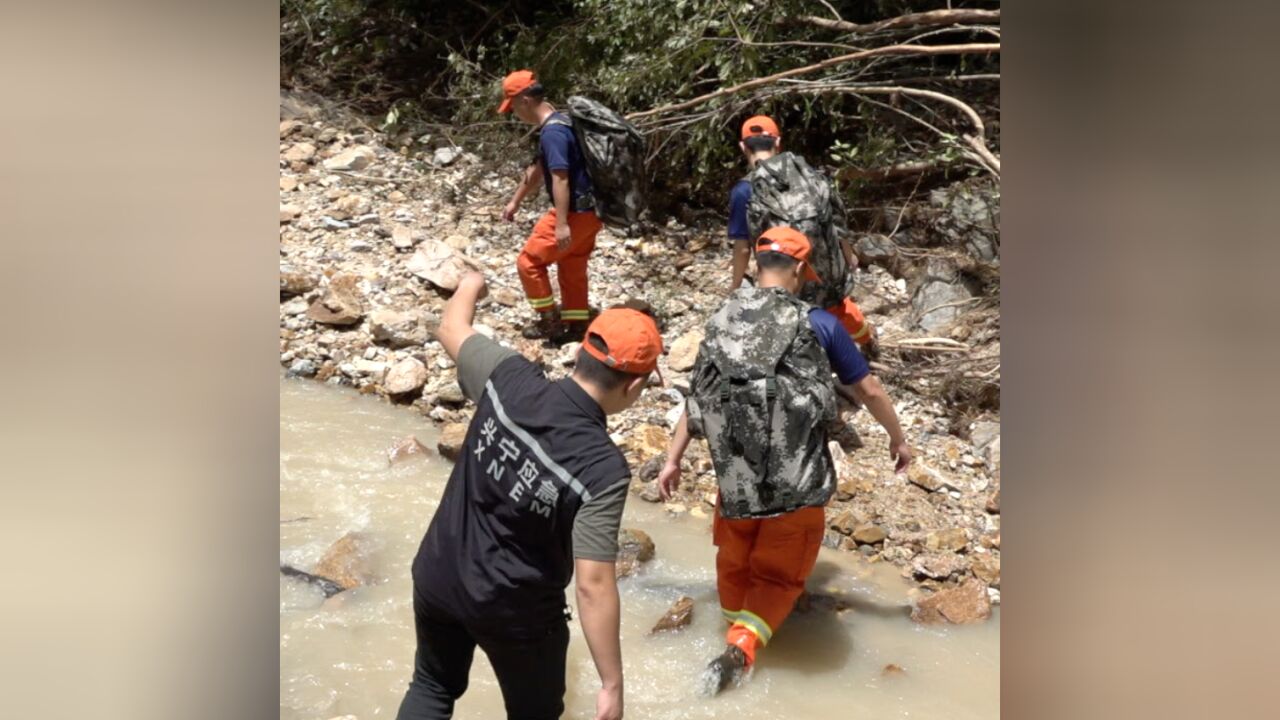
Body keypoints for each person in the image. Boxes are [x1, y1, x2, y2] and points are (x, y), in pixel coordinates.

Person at [395, 271, 664, 720]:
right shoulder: (602, 470)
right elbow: (593, 585)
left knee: (432, 686)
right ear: (634, 386)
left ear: (581, 353)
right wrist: (612, 684)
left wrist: (470, 285)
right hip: (516, 614)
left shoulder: (509, 377)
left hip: (439, 573)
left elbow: (450, 328)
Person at [656, 227, 912, 694]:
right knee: (779, 574)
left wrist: (672, 460)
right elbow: (868, 389)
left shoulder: (720, 320)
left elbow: (697, 400)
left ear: (755, 265)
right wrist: (899, 440)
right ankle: (743, 647)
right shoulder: (819, 324)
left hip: (734, 482)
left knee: (735, 564)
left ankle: (737, 620)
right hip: (797, 484)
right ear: (798, 270)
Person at [727, 115, 879, 355]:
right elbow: (837, 222)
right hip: (827, 272)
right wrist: (847, 258)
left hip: (787, 277)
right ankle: (867, 345)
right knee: (839, 308)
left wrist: (735, 285)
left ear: (743, 147)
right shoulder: (812, 176)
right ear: (778, 143)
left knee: (790, 323)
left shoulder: (745, 190)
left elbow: (743, 248)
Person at [498, 69, 601, 343]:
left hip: (575, 213)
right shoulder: (563, 121)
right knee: (572, 264)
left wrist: (562, 223)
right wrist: (515, 201)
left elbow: (560, 177)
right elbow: (538, 168)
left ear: (524, 101)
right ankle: (577, 325)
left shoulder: (552, 133)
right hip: (593, 212)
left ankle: (549, 322)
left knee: (528, 262)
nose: (514, 114)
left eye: (512, 107)